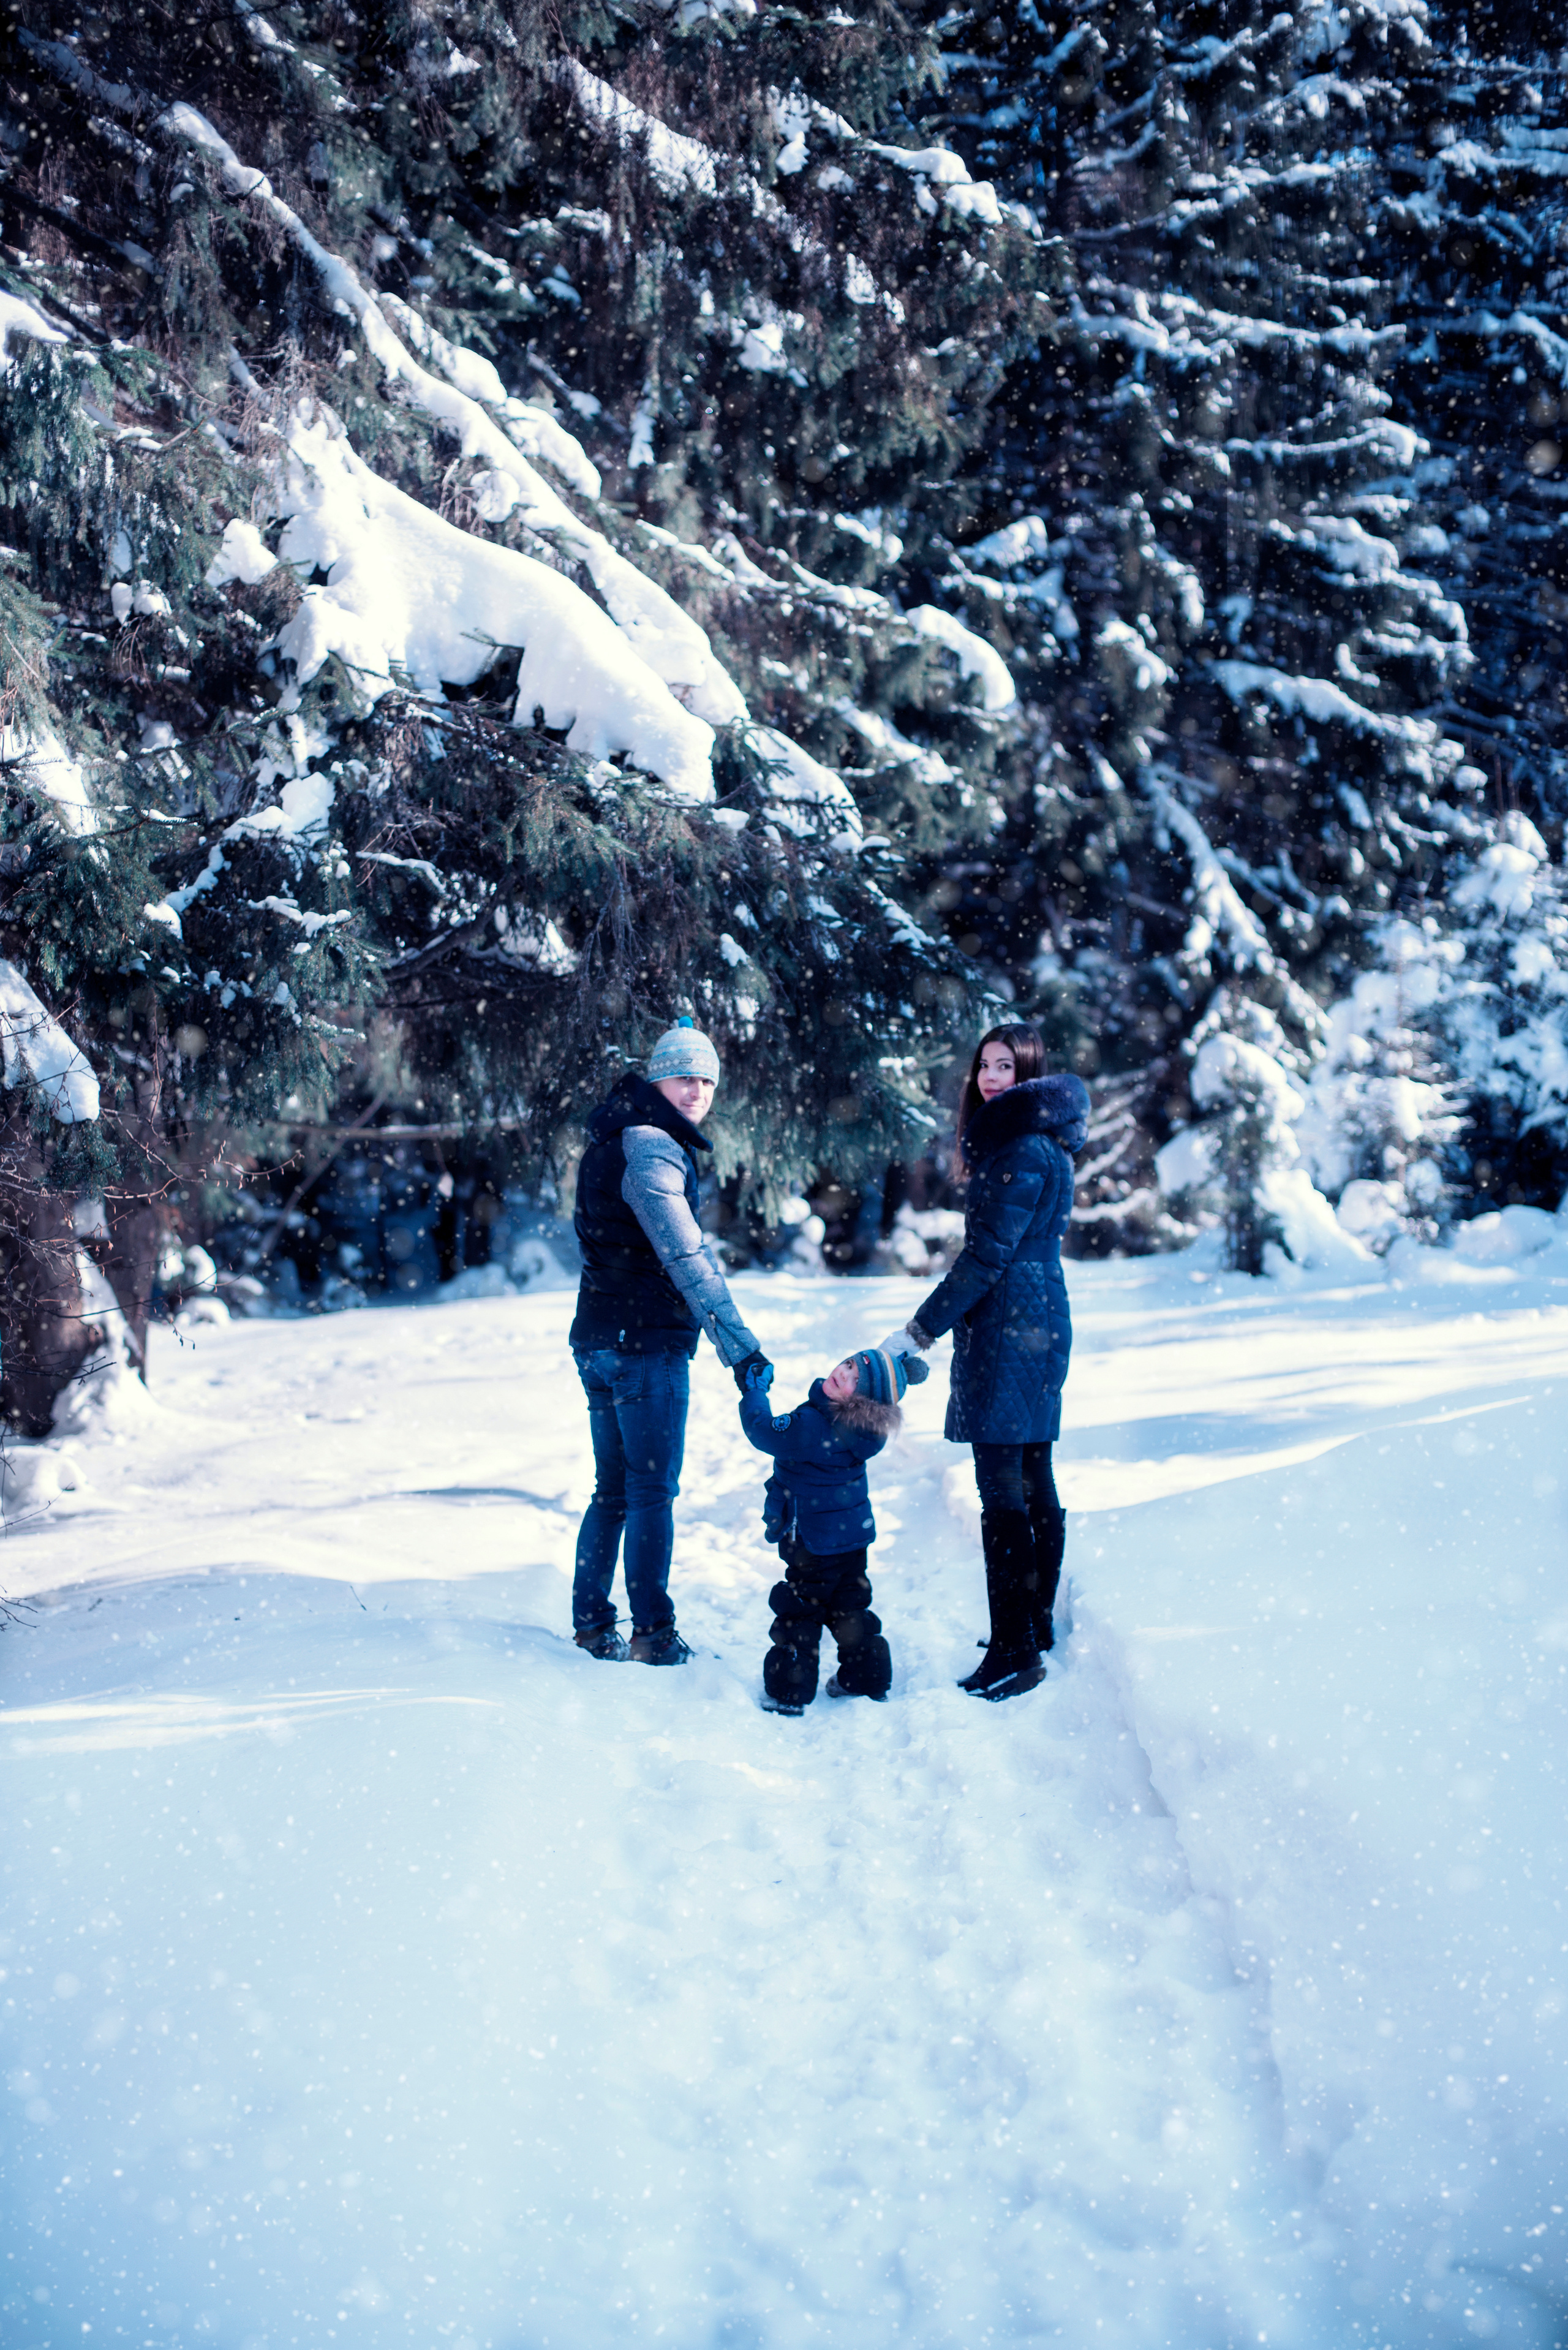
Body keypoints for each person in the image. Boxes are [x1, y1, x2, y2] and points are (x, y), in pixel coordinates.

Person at [878, 1024, 1088, 1702]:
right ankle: (1031, 1628)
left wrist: (920, 1328)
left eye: (1006, 1065)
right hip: (1034, 1314)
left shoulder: (1020, 1149)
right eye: (983, 1066)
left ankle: (1014, 1649)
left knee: (1004, 1491)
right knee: (1030, 1477)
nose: (991, 1077)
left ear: (1029, 1068)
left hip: (1011, 1323)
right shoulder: (1038, 1142)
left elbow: (986, 1257)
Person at [569, 1017, 772, 1666]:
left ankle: (592, 1621)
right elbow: (686, 1256)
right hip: (641, 1345)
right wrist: (739, 1345)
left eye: (707, 1080)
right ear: (657, 1077)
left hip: (600, 1339)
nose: (697, 1091)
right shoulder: (651, 1146)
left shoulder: (611, 1138)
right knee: (649, 1491)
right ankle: (652, 1633)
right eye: (685, 1076)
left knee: (615, 1490)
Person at [739, 1347, 927, 1714]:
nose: (844, 1374)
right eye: (850, 1364)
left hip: (812, 1538)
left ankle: (789, 1691)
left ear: (865, 1401)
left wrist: (754, 1394)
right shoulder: (867, 1430)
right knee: (850, 1606)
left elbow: (763, 1432)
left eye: (857, 1381)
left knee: (801, 1610)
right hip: (852, 1535)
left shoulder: (813, 1424)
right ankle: (866, 1678)